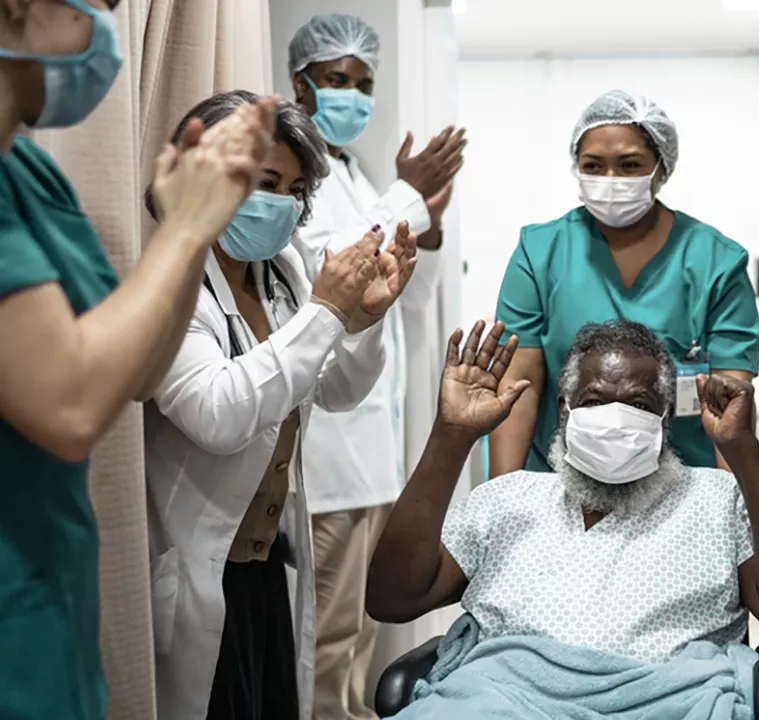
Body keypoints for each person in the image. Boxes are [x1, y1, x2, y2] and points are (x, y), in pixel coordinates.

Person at [0, 2, 271, 718]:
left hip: (50, 598)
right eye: (101, 6)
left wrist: (190, 235)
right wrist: (183, 230)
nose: (108, 28)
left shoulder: (27, 169)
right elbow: (69, 405)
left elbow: (138, 371)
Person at [143, 91, 418, 720]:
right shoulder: (171, 278)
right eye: (265, 181)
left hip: (270, 559)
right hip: (199, 565)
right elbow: (219, 415)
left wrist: (363, 320)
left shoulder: (283, 269)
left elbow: (338, 389)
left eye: (294, 188)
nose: (281, 203)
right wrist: (325, 312)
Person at [367, 320, 759, 670]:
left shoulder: (715, 501)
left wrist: (743, 451)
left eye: (638, 405)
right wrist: (450, 438)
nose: (614, 419)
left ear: (665, 421)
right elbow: (392, 598)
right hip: (506, 699)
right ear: (564, 412)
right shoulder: (506, 502)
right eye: (593, 402)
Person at [284, 15, 467, 718]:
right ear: (299, 83)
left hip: (373, 452)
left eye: (364, 83)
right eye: (337, 80)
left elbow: (400, 300)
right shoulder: (298, 176)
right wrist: (407, 196)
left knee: (360, 633)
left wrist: (428, 224)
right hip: (327, 457)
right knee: (328, 636)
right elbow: (339, 273)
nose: (353, 96)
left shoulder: (358, 179)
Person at [488, 91, 759, 480]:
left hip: (683, 486)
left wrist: (735, 512)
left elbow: (730, 403)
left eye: (630, 164)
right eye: (593, 165)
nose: (610, 180)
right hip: (562, 482)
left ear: (661, 169)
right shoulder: (540, 252)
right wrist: (502, 497)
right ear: (576, 167)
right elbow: (520, 386)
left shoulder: (716, 261)